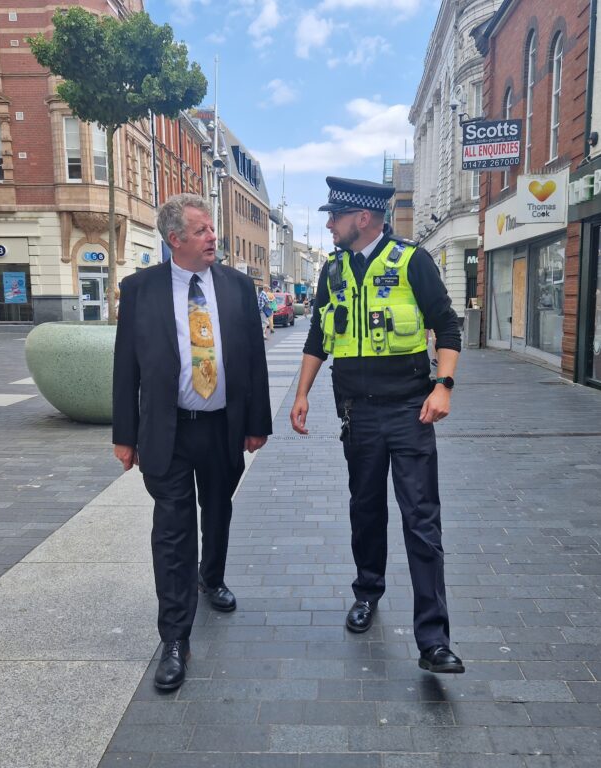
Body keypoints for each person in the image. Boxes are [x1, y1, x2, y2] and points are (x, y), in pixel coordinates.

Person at [289, 176, 465, 675]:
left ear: (361, 218)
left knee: (421, 522)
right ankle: (368, 592)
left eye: (334, 216)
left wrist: (443, 386)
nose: (328, 224)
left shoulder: (412, 261)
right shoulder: (333, 270)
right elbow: (319, 336)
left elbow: (447, 326)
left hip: (411, 411)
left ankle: (433, 640)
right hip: (357, 414)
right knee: (365, 511)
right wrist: (301, 393)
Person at [113, 193, 272, 692]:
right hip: (169, 430)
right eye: (202, 231)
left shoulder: (238, 287)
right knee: (173, 532)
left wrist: (257, 422)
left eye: (212, 229)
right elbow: (126, 367)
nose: (212, 237)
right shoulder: (140, 289)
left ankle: (213, 577)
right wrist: (125, 435)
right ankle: (175, 638)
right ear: (174, 239)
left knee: (218, 508)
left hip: (223, 424)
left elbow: (252, 361)